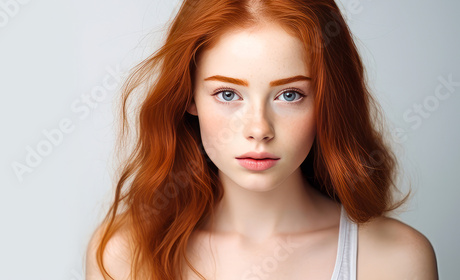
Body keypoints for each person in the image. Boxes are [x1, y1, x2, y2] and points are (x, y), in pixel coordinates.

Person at [86, 0, 439, 279]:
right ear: (188, 97)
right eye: (227, 94)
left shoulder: (396, 261)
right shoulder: (123, 255)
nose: (259, 129)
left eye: (289, 95)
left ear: (326, 102)